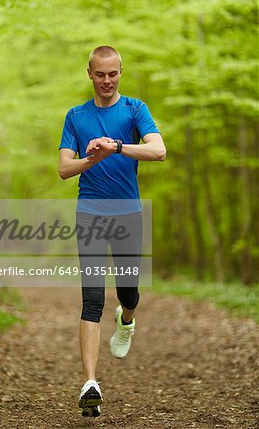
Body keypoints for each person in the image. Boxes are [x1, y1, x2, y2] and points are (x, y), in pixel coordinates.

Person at [58, 45, 166, 417]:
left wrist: (116, 146)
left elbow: (159, 151)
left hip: (127, 214)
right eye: (100, 74)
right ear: (89, 73)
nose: (107, 81)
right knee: (91, 298)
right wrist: (94, 156)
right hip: (88, 212)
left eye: (113, 74)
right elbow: (63, 169)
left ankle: (128, 319)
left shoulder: (135, 109)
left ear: (121, 72)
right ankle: (90, 383)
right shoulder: (75, 116)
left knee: (128, 291)